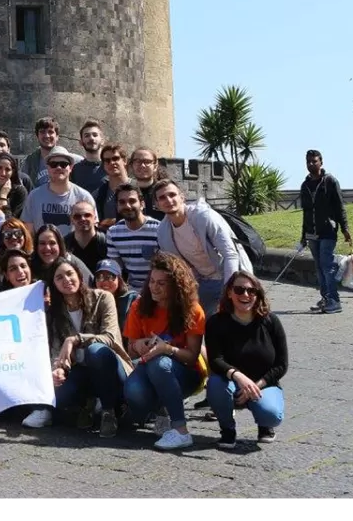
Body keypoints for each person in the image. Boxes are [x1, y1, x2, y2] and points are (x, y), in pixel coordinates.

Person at [23, 259, 131, 437]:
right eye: (59, 278)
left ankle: (108, 412)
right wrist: (57, 369)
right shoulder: (55, 313)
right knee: (59, 397)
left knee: (95, 351)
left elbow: (110, 338)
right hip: (80, 370)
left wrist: (76, 339)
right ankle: (86, 405)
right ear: (54, 285)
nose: (66, 280)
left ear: (79, 276)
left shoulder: (103, 298)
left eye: (69, 274)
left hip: (111, 367)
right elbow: (56, 351)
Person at [122, 254, 208, 451]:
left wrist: (168, 349)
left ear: (176, 286)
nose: (154, 287)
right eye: (152, 281)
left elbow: (192, 356)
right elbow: (130, 350)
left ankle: (181, 430)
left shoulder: (193, 310)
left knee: (160, 363)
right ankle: (161, 409)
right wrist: (139, 345)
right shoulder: (138, 306)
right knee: (133, 391)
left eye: (161, 283)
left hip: (185, 373)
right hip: (147, 366)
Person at [205, 271, 287, 448]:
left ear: (258, 294)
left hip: (263, 384)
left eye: (251, 291)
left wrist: (256, 386)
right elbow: (215, 360)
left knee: (271, 414)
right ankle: (227, 429)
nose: (245, 295)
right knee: (215, 384)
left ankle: (265, 426)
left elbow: (281, 364)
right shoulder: (215, 323)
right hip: (230, 382)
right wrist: (238, 376)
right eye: (239, 290)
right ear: (229, 292)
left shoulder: (271, 321)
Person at [152, 178, 250, 313]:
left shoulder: (204, 216)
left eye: (172, 195)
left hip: (231, 273)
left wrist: (230, 290)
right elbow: (180, 268)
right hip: (203, 281)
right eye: (162, 198)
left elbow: (230, 254)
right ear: (157, 204)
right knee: (202, 323)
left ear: (182, 197)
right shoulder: (163, 232)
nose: (168, 200)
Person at [300, 150, 351, 314]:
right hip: (312, 233)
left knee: (326, 265)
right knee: (320, 267)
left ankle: (334, 301)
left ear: (321, 162)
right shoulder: (305, 185)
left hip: (328, 231)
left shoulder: (330, 181)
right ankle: (326, 298)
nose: (311, 164)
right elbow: (306, 212)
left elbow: (339, 207)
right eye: (308, 161)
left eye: (314, 161)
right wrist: (303, 236)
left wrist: (345, 229)